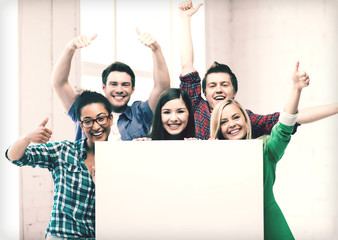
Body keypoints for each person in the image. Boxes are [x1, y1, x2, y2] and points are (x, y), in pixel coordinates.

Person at [178, 0, 338, 140]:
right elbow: (187, 66)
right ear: (204, 93)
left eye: (224, 84)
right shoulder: (195, 108)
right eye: (212, 86)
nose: (218, 89)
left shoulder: (245, 119)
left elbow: (291, 118)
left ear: (234, 92)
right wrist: (185, 19)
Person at [209, 62, 309, 239]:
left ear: (246, 120)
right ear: (218, 128)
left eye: (235, 117)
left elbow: (284, 126)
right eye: (224, 122)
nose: (231, 124)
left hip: (270, 223)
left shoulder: (264, 148)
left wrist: (296, 89)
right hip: (231, 225)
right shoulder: (212, 157)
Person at [6, 91, 113, 239]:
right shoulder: (63, 151)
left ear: (111, 119)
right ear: (81, 126)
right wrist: (28, 137)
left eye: (101, 118)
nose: (96, 127)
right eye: (88, 121)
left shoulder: (118, 160)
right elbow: (14, 157)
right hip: (60, 236)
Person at [51, 29, 170, 141]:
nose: (119, 89)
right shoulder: (84, 108)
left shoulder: (140, 114)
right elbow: (59, 83)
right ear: (104, 87)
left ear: (133, 88)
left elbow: (162, 88)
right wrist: (70, 48)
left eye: (125, 84)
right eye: (113, 84)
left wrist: (156, 49)